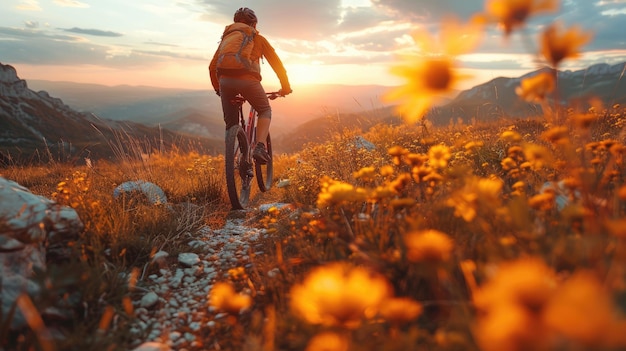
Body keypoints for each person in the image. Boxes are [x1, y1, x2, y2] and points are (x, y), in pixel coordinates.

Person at [209, 7, 292, 164]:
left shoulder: (227, 40)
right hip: (248, 81)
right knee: (264, 110)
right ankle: (259, 147)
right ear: (254, 24)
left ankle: (232, 158)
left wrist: (218, 89)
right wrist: (285, 87)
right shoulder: (258, 39)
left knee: (231, 124)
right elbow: (277, 65)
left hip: (224, 82)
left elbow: (212, 67)